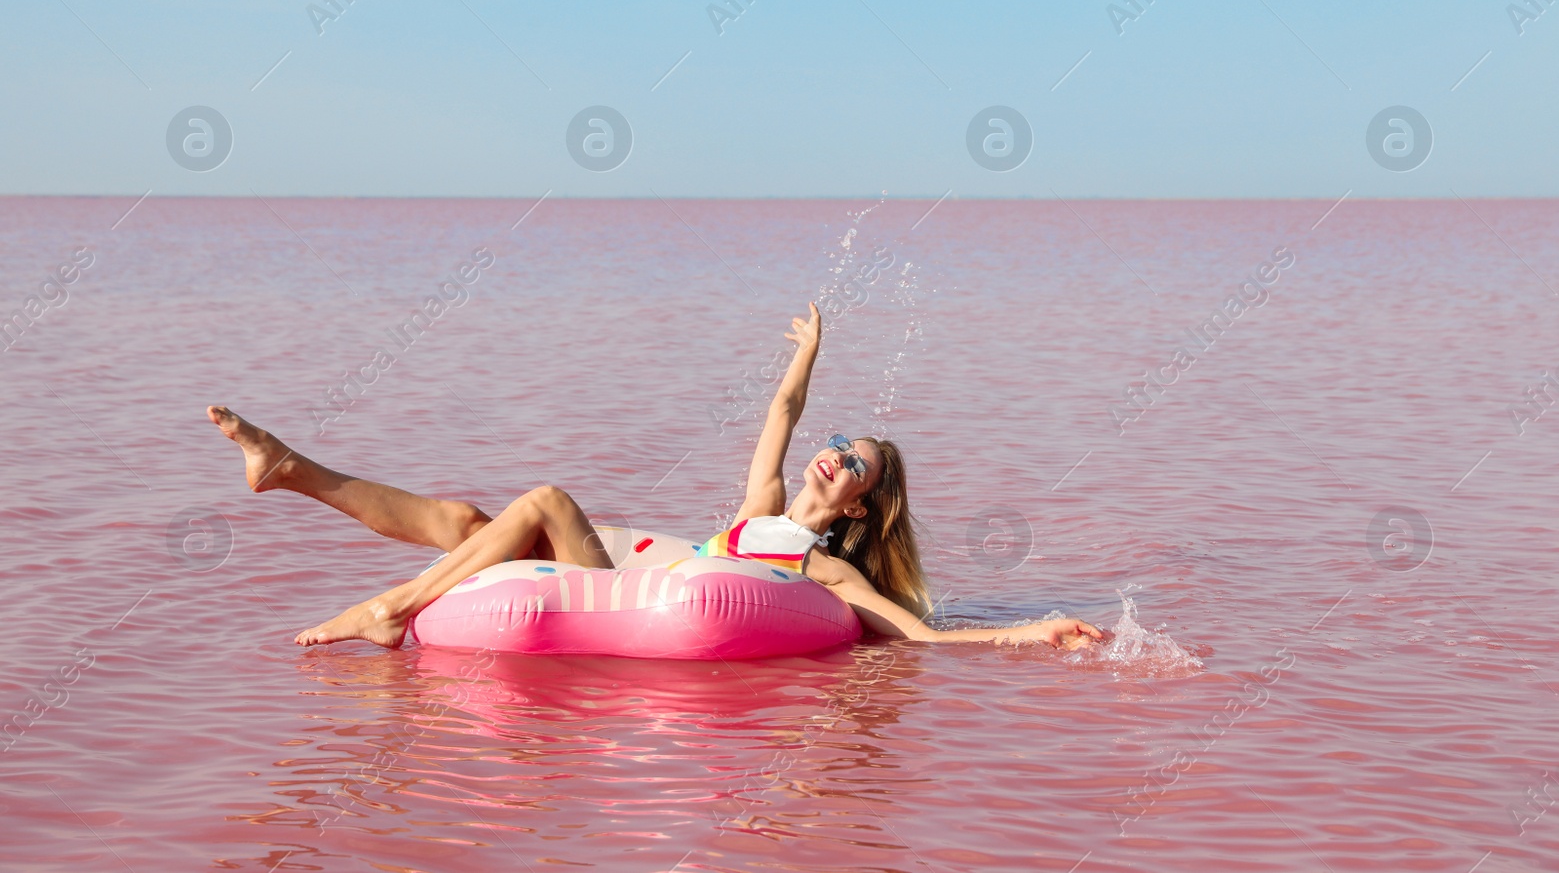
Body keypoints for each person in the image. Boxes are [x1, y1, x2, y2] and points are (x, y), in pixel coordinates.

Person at [207, 302, 1106, 651]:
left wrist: (1037, 627)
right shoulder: (764, 504)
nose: (834, 452)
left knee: (547, 499)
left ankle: (393, 608)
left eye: (854, 461)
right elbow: (781, 418)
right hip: (618, 568)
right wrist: (809, 353)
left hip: (615, 586)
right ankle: (291, 470)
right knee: (459, 515)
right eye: (842, 440)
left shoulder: (819, 567)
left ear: (860, 500)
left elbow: (920, 639)